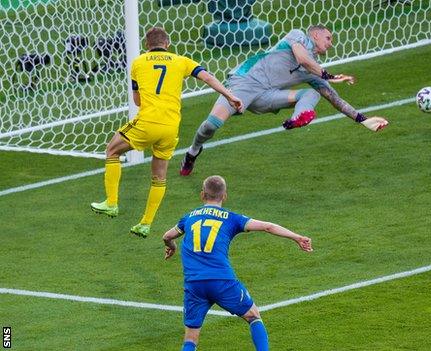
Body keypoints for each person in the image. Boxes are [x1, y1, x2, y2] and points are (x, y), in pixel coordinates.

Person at [90, 27, 243, 238]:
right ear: (168, 44)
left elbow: (137, 101)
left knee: (112, 151)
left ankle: (112, 202)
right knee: (159, 176)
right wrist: (229, 96)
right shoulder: (181, 61)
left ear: (147, 45)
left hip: (147, 122)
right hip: (171, 127)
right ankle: (145, 224)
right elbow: (208, 78)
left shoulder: (138, 63)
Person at [179, 25, 389, 176]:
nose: (331, 43)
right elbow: (302, 58)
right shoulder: (297, 36)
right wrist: (330, 75)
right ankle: (193, 151)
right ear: (315, 34)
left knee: (312, 94)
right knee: (212, 125)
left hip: (267, 96)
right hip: (245, 83)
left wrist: (363, 119)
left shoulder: (314, 72)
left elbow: (335, 99)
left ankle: (297, 118)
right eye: (328, 38)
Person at [162, 175, 313, 351]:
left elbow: (167, 236)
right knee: (253, 316)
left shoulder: (188, 218)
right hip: (222, 281)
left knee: (191, 337)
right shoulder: (231, 218)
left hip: (194, 284)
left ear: (202, 195)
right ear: (224, 196)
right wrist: (297, 237)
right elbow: (268, 226)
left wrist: (172, 246)